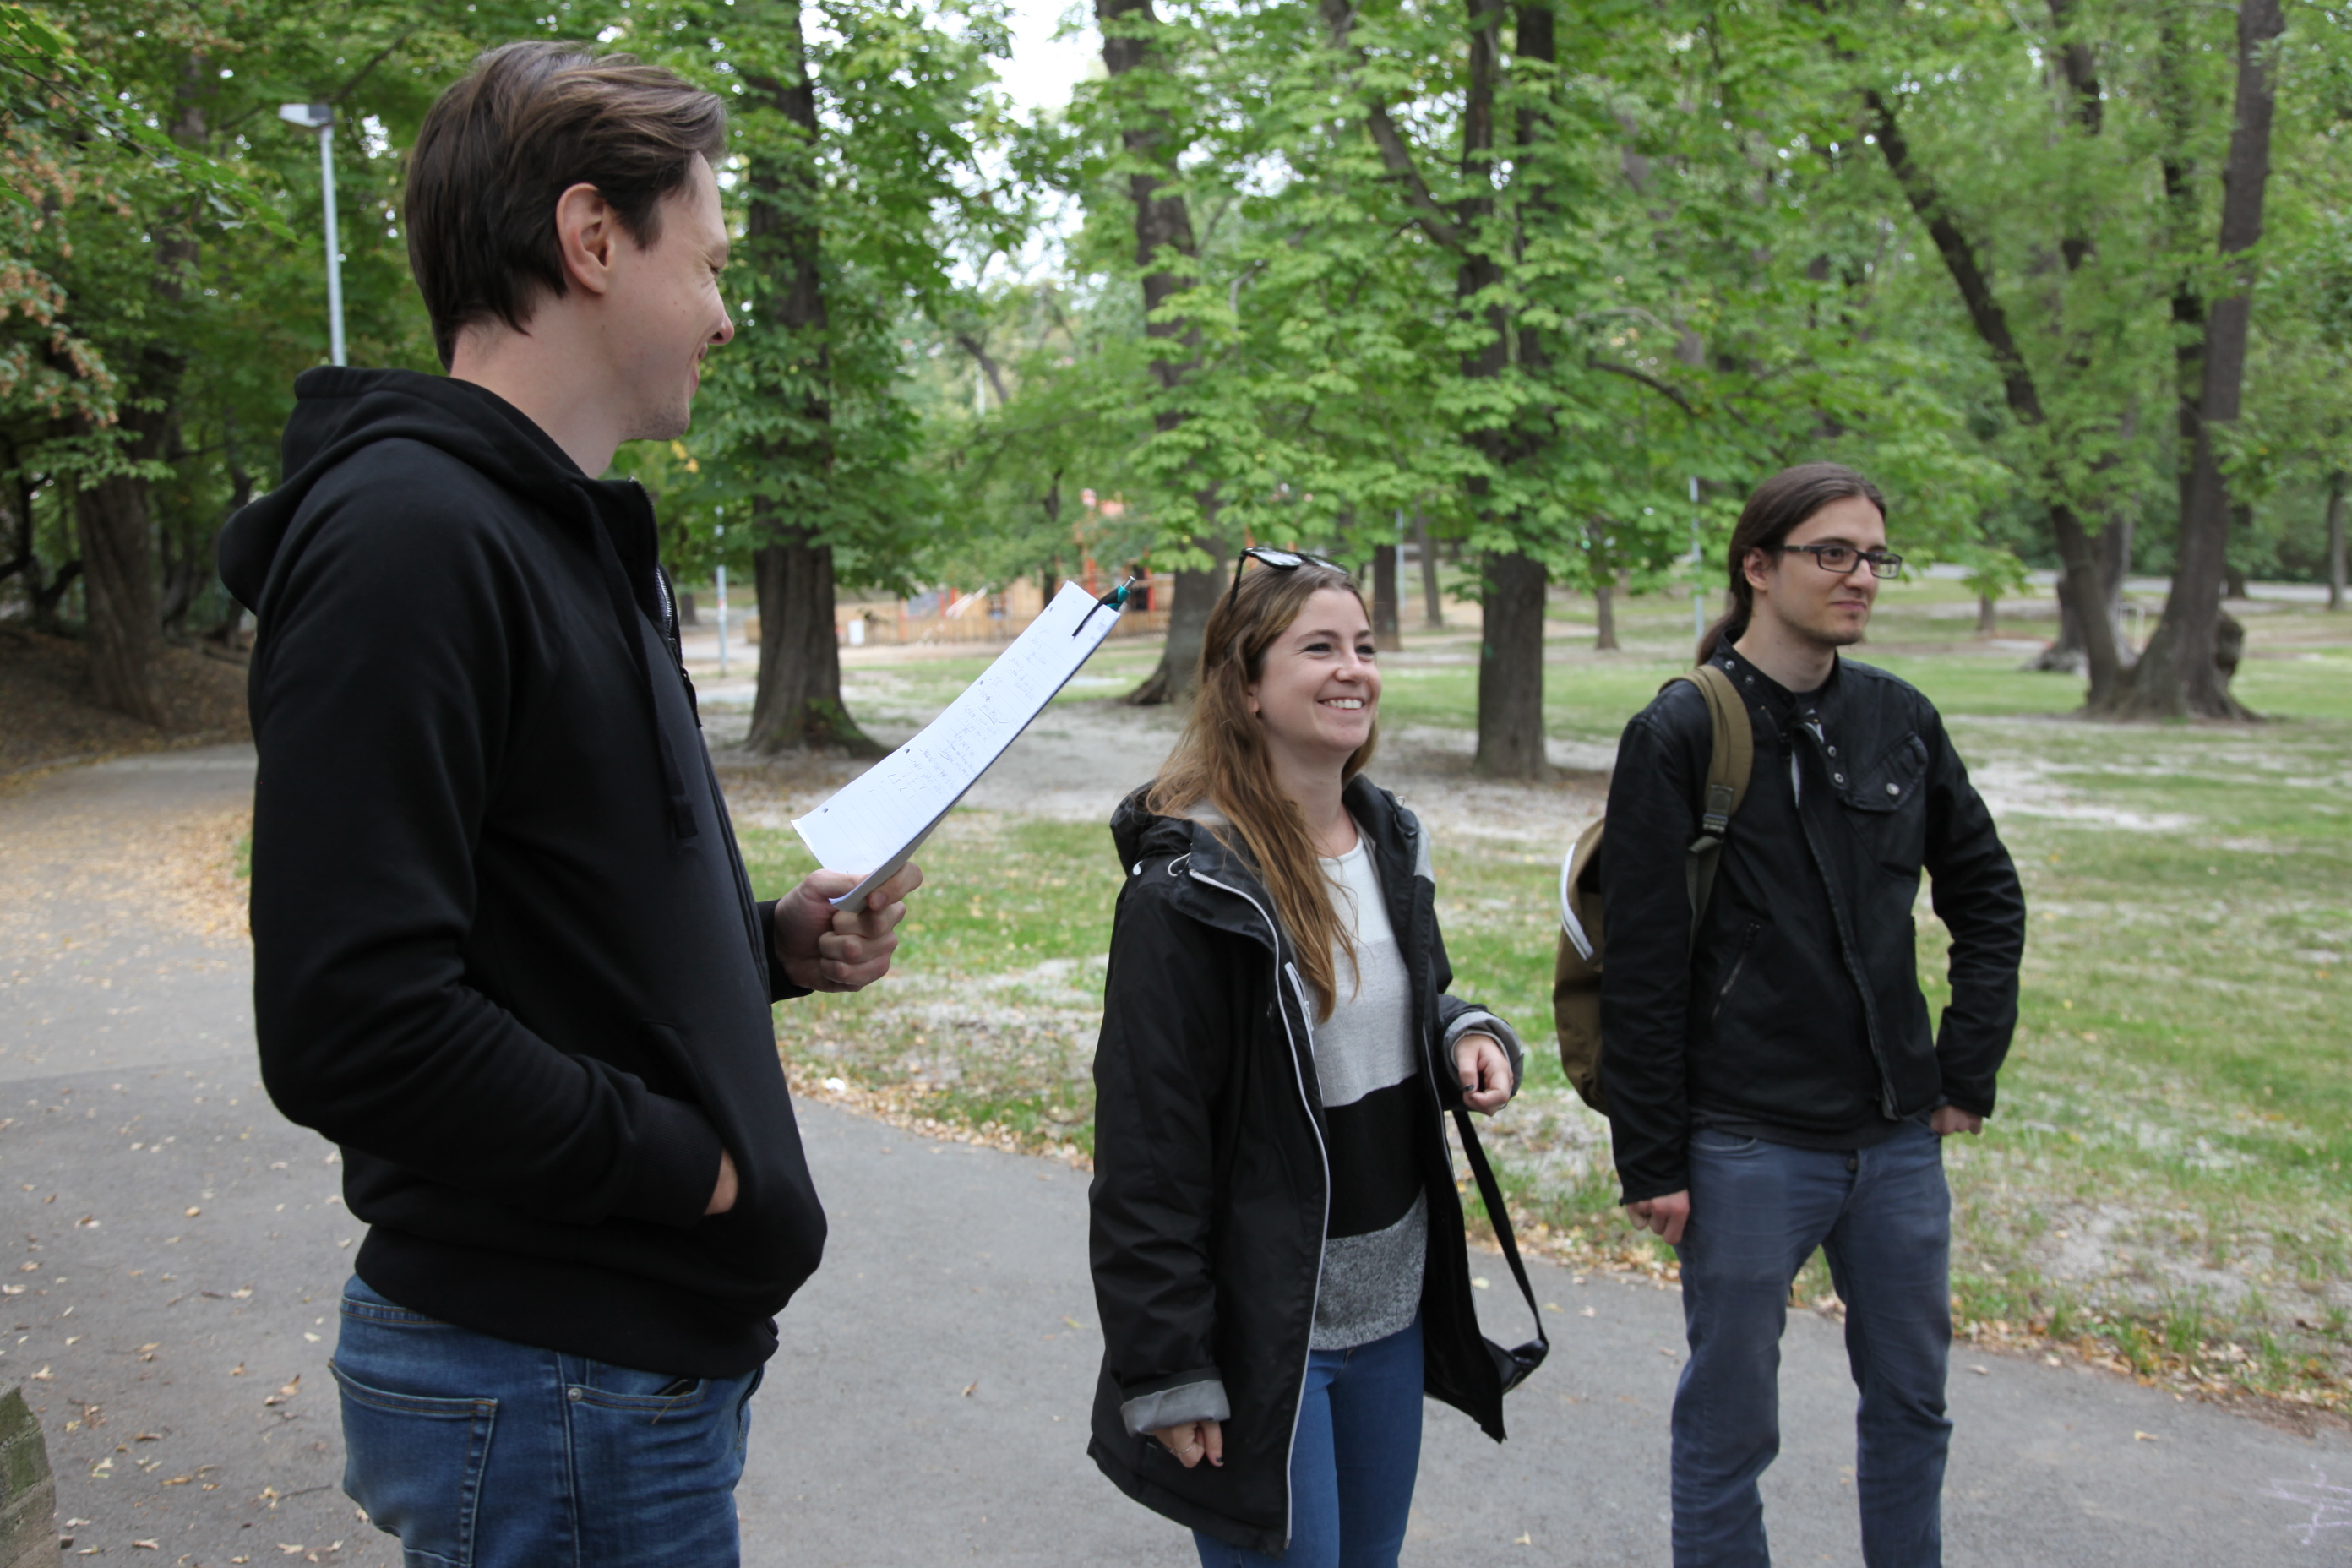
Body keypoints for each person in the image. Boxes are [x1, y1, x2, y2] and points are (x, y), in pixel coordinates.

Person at [217, 42, 920, 1567]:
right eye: (711, 262)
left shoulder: (559, 539)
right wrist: (692, 1168)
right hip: (548, 1377)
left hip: (616, 1377)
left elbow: (542, 919)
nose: (728, 314)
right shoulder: (411, 536)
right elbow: (355, 1018)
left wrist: (769, 947)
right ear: (592, 238)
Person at [1598, 464, 2027, 1566]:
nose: (1860, 578)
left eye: (1873, 556)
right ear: (1758, 567)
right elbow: (1641, 964)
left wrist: (1964, 1072)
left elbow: (1987, 898)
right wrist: (1652, 1156)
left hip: (1895, 1143)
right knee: (1730, 1431)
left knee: (1912, 1410)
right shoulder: (1682, 731)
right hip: (1746, 1144)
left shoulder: (1900, 720)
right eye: (1831, 553)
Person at [1087, 550, 1528, 1568]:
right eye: (1318, 647)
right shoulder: (1187, 888)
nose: (1353, 669)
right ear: (1246, 686)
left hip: (1391, 1312)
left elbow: (1409, 997)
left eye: (1365, 647)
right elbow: (1148, 1145)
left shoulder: (1385, 839)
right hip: (1266, 1334)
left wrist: (1466, 1031)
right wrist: (1171, 1366)